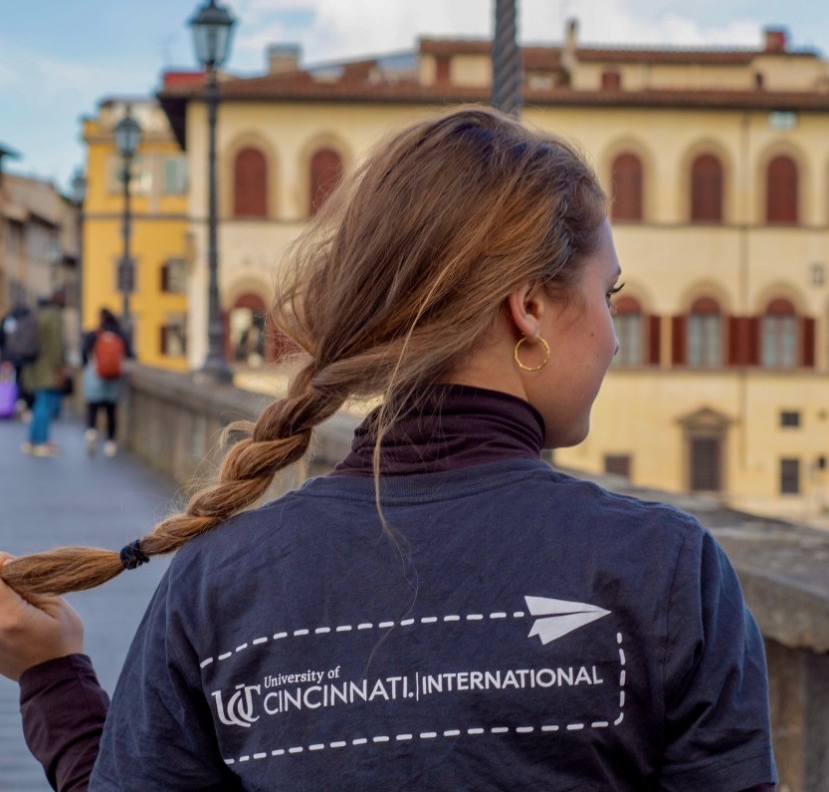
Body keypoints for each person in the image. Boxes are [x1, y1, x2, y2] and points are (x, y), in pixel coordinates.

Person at [0, 107, 776, 791]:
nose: (612, 338)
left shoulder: (219, 581)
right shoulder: (664, 568)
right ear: (530, 307)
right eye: (608, 296)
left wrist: (53, 679)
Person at [19, 290, 66, 457]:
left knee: (40, 402)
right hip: (48, 368)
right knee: (46, 404)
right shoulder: (54, 316)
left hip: (35, 366)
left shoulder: (38, 315)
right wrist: (60, 367)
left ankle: (32, 439)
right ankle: (42, 441)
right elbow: (56, 345)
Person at [82, 308, 131, 458]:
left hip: (95, 375)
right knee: (111, 410)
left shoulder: (95, 334)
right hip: (114, 377)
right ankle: (110, 443)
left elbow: (84, 352)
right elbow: (129, 353)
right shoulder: (120, 334)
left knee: (93, 407)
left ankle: (91, 433)